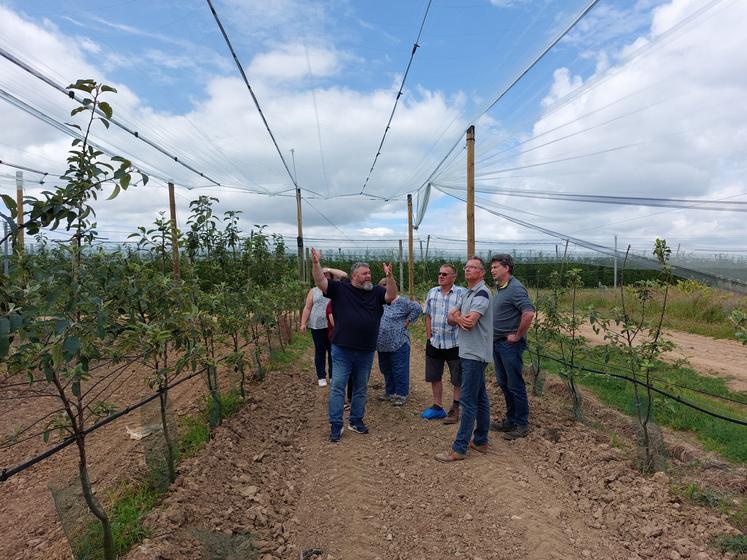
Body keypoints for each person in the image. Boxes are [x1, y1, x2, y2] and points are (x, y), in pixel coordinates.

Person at [311, 248, 397, 443]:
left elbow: (391, 296)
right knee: (338, 386)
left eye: (370, 273)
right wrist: (316, 264)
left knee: (360, 387)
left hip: (366, 350)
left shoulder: (376, 292)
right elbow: (320, 282)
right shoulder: (340, 289)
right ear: (355, 276)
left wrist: (390, 277)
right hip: (342, 349)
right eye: (365, 274)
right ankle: (336, 424)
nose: (369, 276)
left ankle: (356, 420)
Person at [436, 257, 493, 462]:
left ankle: (459, 448)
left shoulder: (482, 293)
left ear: (482, 272)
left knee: (468, 401)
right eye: (467, 267)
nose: (469, 270)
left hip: (475, 354)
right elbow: (451, 316)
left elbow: (468, 323)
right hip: (469, 352)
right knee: (480, 398)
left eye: (473, 268)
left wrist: (459, 318)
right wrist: (459, 318)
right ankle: (480, 441)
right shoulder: (469, 292)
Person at [489, 254, 535, 440]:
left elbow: (529, 313)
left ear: (506, 268)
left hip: (509, 346)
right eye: (491, 267)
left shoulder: (515, 288)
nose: (492, 270)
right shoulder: (501, 288)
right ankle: (510, 420)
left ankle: (521, 424)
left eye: (496, 267)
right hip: (498, 343)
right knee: (504, 383)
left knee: (515, 384)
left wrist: (517, 335)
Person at [421, 264, 466, 424]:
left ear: (453, 277)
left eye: (445, 274)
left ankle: (455, 408)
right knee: (434, 375)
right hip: (435, 342)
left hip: (455, 342)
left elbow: (464, 317)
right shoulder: (432, 292)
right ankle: (437, 406)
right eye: (440, 273)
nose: (441, 276)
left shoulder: (462, 293)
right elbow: (428, 315)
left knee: (457, 378)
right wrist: (428, 336)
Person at [375, 279, 422, 406]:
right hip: (382, 344)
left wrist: (408, 320)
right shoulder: (380, 301)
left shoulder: (401, 301)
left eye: (386, 285)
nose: (383, 289)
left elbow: (417, 308)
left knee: (399, 368)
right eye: (381, 286)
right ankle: (390, 392)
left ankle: (401, 394)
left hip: (399, 343)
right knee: (386, 368)